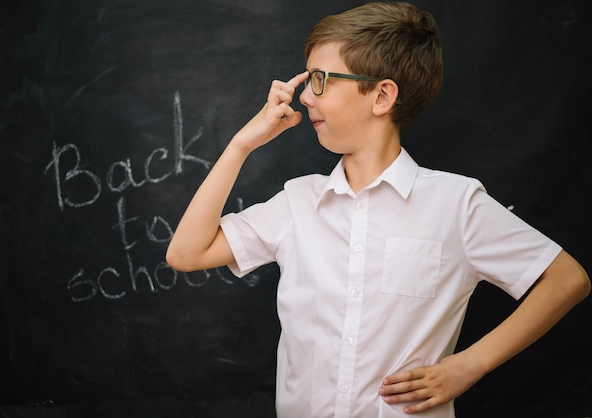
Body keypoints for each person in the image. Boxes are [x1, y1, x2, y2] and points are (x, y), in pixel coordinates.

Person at [166, 2, 590, 417]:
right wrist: (242, 144)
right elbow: (186, 254)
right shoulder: (298, 202)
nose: (304, 99)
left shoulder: (455, 204)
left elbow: (566, 279)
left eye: (320, 80)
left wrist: (469, 365)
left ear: (382, 95)